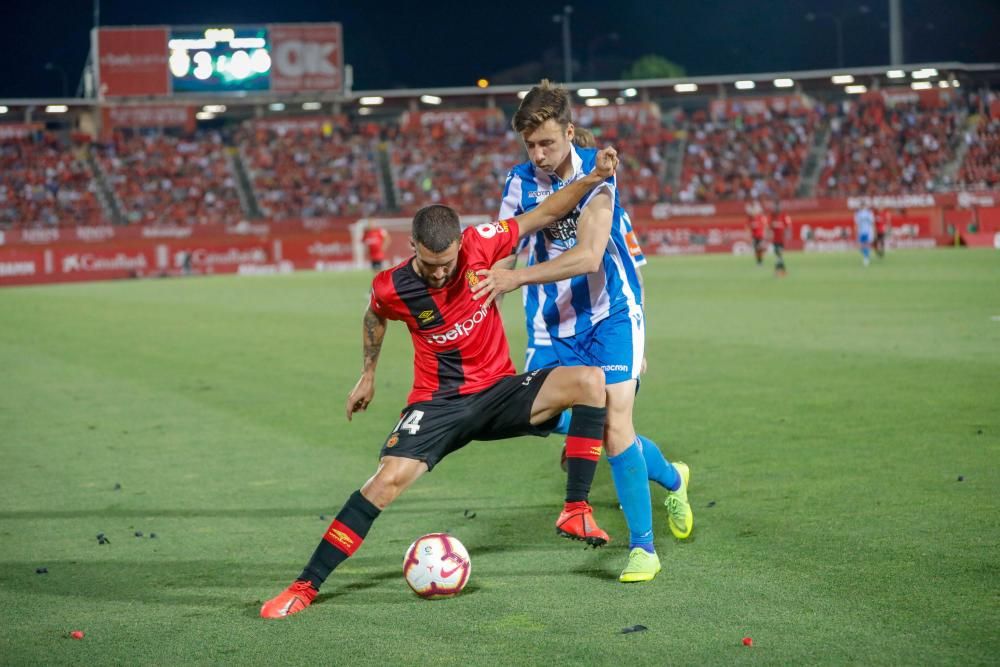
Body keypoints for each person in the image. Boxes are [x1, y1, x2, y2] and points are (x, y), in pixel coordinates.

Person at [260, 148, 620, 619]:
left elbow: (545, 212)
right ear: (413, 247)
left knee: (592, 381)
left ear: (458, 246)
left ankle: (574, 507)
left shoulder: (481, 242)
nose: (439, 272)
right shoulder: (392, 286)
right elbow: (375, 314)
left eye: (447, 263)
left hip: (498, 391)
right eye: (429, 264)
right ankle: (305, 586)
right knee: (383, 483)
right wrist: (367, 374)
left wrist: (593, 176)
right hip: (437, 404)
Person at [475, 80, 693, 584]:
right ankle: (671, 475)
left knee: (616, 424)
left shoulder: (600, 173)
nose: (539, 154)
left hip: (611, 312)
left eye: (547, 142)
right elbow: (505, 250)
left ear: (569, 132)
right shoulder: (518, 183)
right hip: (552, 324)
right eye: (530, 145)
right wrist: (491, 289)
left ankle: (643, 549)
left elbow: (591, 254)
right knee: (538, 418)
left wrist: (518, 276)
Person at [769, 204, 790, 276]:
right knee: (778, 255)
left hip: (781, 240)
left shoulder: (783, 217)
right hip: (775, 240)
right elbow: (769, 228)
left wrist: (787, 235)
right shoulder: (772, 218)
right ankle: (782, 270)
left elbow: (788, 226)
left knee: (779, 255)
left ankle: (779, 270)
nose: (776, 211)